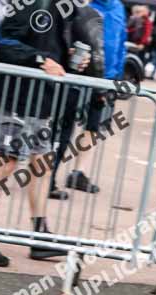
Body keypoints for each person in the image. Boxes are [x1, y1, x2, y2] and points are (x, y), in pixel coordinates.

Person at [0, 0, 89, 267]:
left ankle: (39, 235)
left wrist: (72, 61)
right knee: (8, 159)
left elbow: (52, 48)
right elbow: (1, 40)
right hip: (17, 95)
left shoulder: (64, 7)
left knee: (42, 163)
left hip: (42, 98)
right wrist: (39, 60)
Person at [48, 0, 127, 199]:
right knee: (62, 129)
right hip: (78, 74)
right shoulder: (81, 4)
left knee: (94, 128)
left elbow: (120, 42)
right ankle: (48, 177)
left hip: (106, 78)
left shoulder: (118, 7)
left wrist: (116, 75)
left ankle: (78, 172)